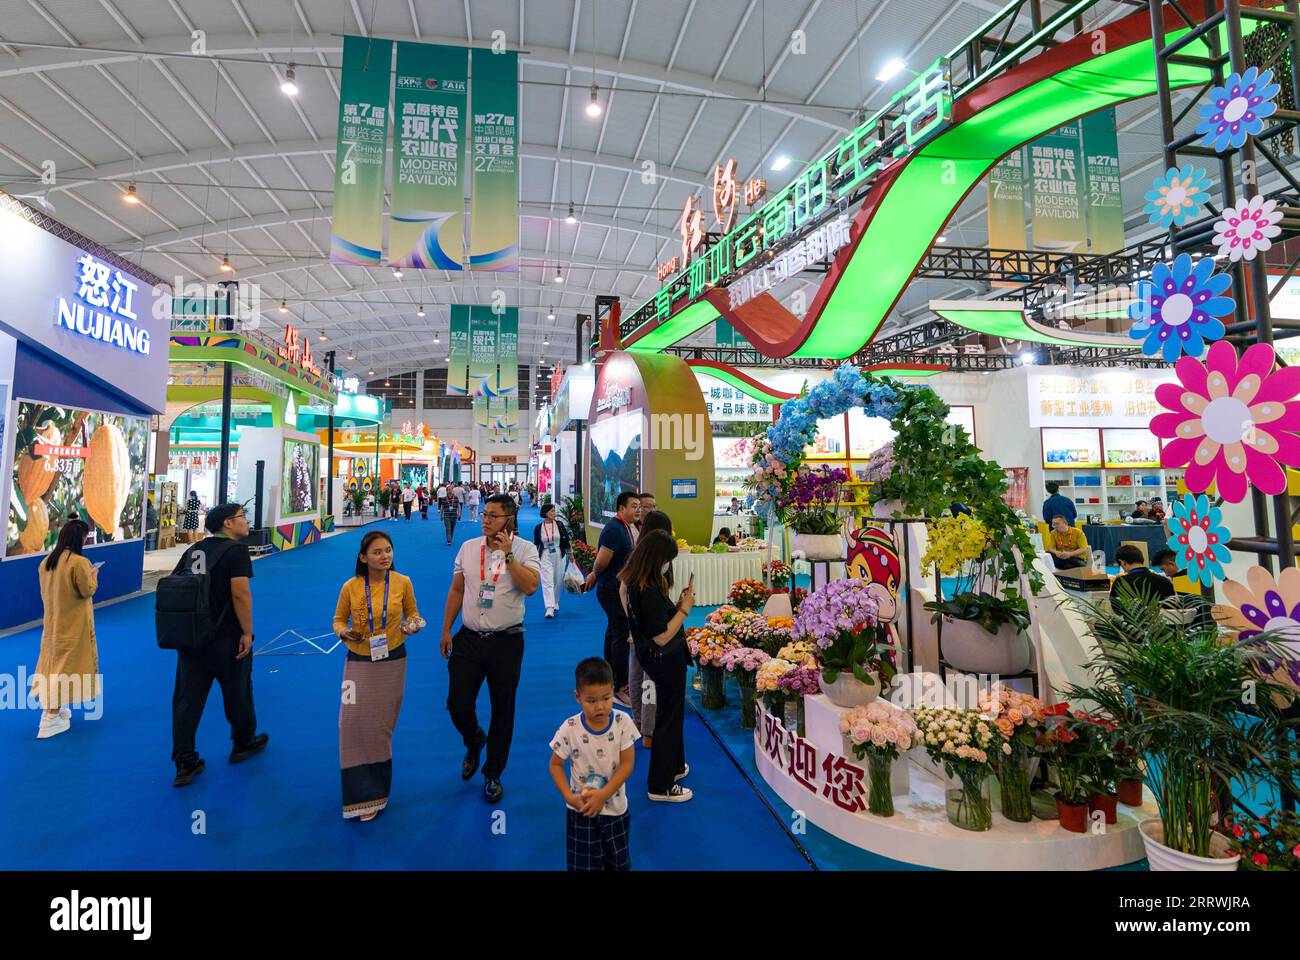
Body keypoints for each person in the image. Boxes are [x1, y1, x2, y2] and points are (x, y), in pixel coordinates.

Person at [441, 494, 541, 803]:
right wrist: (446, 628)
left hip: (507, 641)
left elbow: (531, 587)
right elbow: (457, 589)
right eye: (484, 514)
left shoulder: (526, 550)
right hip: (469, 638)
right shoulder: (468, 548)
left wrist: (508, 555)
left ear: (510, 520)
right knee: (457, 704)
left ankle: (493, 773)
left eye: (493, 515)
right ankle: (474, 740)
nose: (485, 520)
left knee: (503, 709)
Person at [170, 503, 269, 786]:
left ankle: (184, 761)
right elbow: (240, 594)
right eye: (242, 517)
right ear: (228, 523)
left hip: (191, 638)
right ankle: (243, 742)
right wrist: (247, 632)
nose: (246, 522)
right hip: (226, 638)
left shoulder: (194, 550)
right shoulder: (236, 551)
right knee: (237, 691)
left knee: (187, 701)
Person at [333, 530, 423, 821]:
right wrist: (344, 631)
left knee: (379, 727)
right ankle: (357, 793)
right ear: (363, 557)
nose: (385, 556)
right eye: (377, 552)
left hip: (392, 661)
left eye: (388, 550)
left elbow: (413, 614)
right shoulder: (350, 586)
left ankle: (374, 795)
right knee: (349, 723)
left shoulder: (403, 582)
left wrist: (413, 625)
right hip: (357, 659)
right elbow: (337, 620)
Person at [620, 529, 693, 802]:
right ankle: (660, 785)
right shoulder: (646, 588)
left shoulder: (641, 582)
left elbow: (656, 622)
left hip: (661, 658)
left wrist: (675, 606)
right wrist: (685, 609)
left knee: (672, 716)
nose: (668, 566)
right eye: (666, 560)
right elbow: (661, 635)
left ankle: (673, 766)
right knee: (667, 719)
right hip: (664, 658)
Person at [548, 657, 639, 871]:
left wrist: (604, 794)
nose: (600, 706)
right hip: (582, 810)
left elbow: (627, 763)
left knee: (618, 863)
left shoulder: (622, 722)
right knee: (584, 865)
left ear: (613, 691)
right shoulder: (569, 728)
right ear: (577, 697)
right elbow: (555, 764)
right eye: (591, 700)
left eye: (606, 698)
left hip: (615, 810)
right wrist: (569, 797)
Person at [33, 518, 100, 739]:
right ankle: (49, 718)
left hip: (52, 626)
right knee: (65, 669)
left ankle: (54, 709)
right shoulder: (79, 562)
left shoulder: (46, 563)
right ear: (80, 538)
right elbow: (86, 590)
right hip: (73, 625)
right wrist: (94, 576)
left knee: (51, 667)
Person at [584, 492, 640, 704]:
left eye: (639, 506)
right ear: (621, 509)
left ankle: (610, 677)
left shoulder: (625, 527)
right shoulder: (615, 530)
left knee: (613, 631)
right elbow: (601, 561)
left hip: (616, 588)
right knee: (622, 634)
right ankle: (620, 686)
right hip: (611, 590)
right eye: (633, 506)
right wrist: (593, 575)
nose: (638, 510)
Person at [623, 509, 672, 749]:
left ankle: (641, 723)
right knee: (647, 678)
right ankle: (648, 730)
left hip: (639, 628)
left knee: (637, 673)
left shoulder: (639, 553)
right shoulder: (647, 557)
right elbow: (625, 590)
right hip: (649, 631)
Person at [1110, 543, 1175, 612]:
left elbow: (1116, 607)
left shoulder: (1121, 582)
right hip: (1161, 621)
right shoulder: (1163, 581)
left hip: (1132, 622)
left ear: (1122, 562)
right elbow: (1173, 606)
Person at [533, 502, 570, 618]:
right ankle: (549, 607)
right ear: (546, 513)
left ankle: (555, 601)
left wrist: (571, 554)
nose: (554, 513)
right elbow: (536, 543)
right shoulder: (538, 527)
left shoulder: (559, 524)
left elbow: (567, 540)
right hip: (545, 554)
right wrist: (534, 558)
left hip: (559, 554)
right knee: (547, 580)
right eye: (552, 511)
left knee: (558, 580)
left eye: (554, 511)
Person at [440, 480, 461, 545]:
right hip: (446, 516)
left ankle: (450, 538)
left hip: (454, 516)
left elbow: (459, 506)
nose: (449, 490)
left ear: (452, 490)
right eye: (448, 489)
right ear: (446, 491)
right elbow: (442, 507)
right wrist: (441, 515)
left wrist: (459, 513)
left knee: (452, 528)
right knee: (448, 528)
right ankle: (449, 540)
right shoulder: (444, 499)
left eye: (450, 489)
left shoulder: (456, 498)